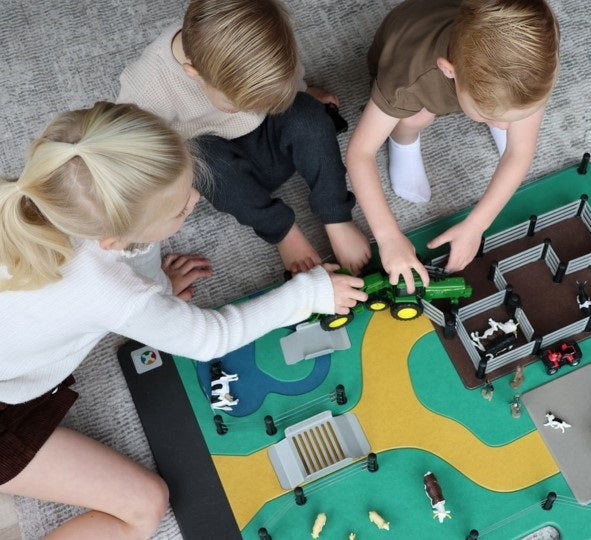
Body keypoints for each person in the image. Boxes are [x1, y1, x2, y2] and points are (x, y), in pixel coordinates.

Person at [0, 102, 366, 537]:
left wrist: (153, 285)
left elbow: (130, 250)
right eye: (181, 212)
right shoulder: (114, 292)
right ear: (113, 239)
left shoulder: (60, 189)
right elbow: (211, 338)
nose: (196, 199)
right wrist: (309, 294)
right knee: (144, 508)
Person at [117, 0, 371, 275]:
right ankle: (283, 232)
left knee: (308, 115)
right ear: (194, 72)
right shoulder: (149, 84)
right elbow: (130, 143)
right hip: (220, 161)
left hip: (270, 136)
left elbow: (287, 77)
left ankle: (336, 217)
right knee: (204, 162)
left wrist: (301, 92)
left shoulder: (267, 44)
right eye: (237, 104)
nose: (248, 109)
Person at [346, 0, 559, 291]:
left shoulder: (535, 61)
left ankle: (502, 106)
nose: (504, 128)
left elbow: (520, 153)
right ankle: (403, 141)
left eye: (512, 118)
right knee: (416, 116)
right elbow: (360, 153)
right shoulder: (410, 77)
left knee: (514, 110)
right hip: (408, 58)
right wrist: (388, 237)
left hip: (475, 52)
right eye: (493, 118)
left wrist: (476, 225)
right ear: (450, 71)